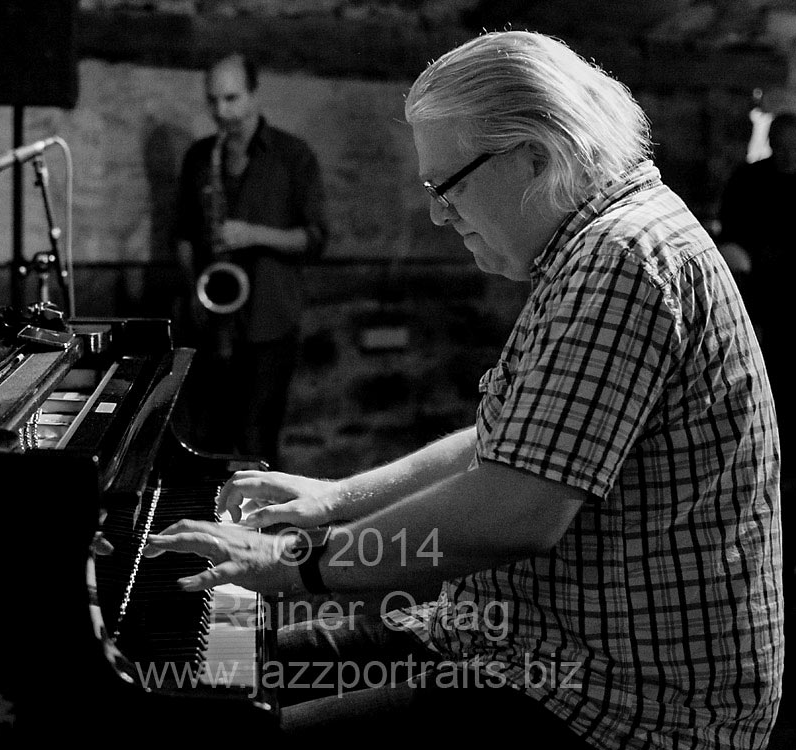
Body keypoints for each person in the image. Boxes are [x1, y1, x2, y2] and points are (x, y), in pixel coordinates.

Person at [145, 31, 783, 749]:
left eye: (444, 185)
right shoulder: (595, 244)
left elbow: (514, 512)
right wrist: (332, 501)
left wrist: (297, 566)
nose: (437, 215)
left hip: (614, 701)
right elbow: (508, 440)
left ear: (533, 156)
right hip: (514, 644)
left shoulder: (621, 260)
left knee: (233, 724)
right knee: (222, 673)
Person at [173, 51, 328, 468]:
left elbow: (315, 239)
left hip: (270, 321)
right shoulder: (199, 157)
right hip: (211, 323)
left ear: (255, 94)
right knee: (207, 440)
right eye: (213, 100)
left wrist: (253, 234)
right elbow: (184, 235)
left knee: (258, 439)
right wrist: (193, 294)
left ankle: (261, 529)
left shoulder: (293, 157)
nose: (221, 112)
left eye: (232, 98)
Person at [717, 111, 796, 526]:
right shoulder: (750, 180)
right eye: (781, 145)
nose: (787, 154)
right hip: (757, 289)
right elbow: (731, 231)